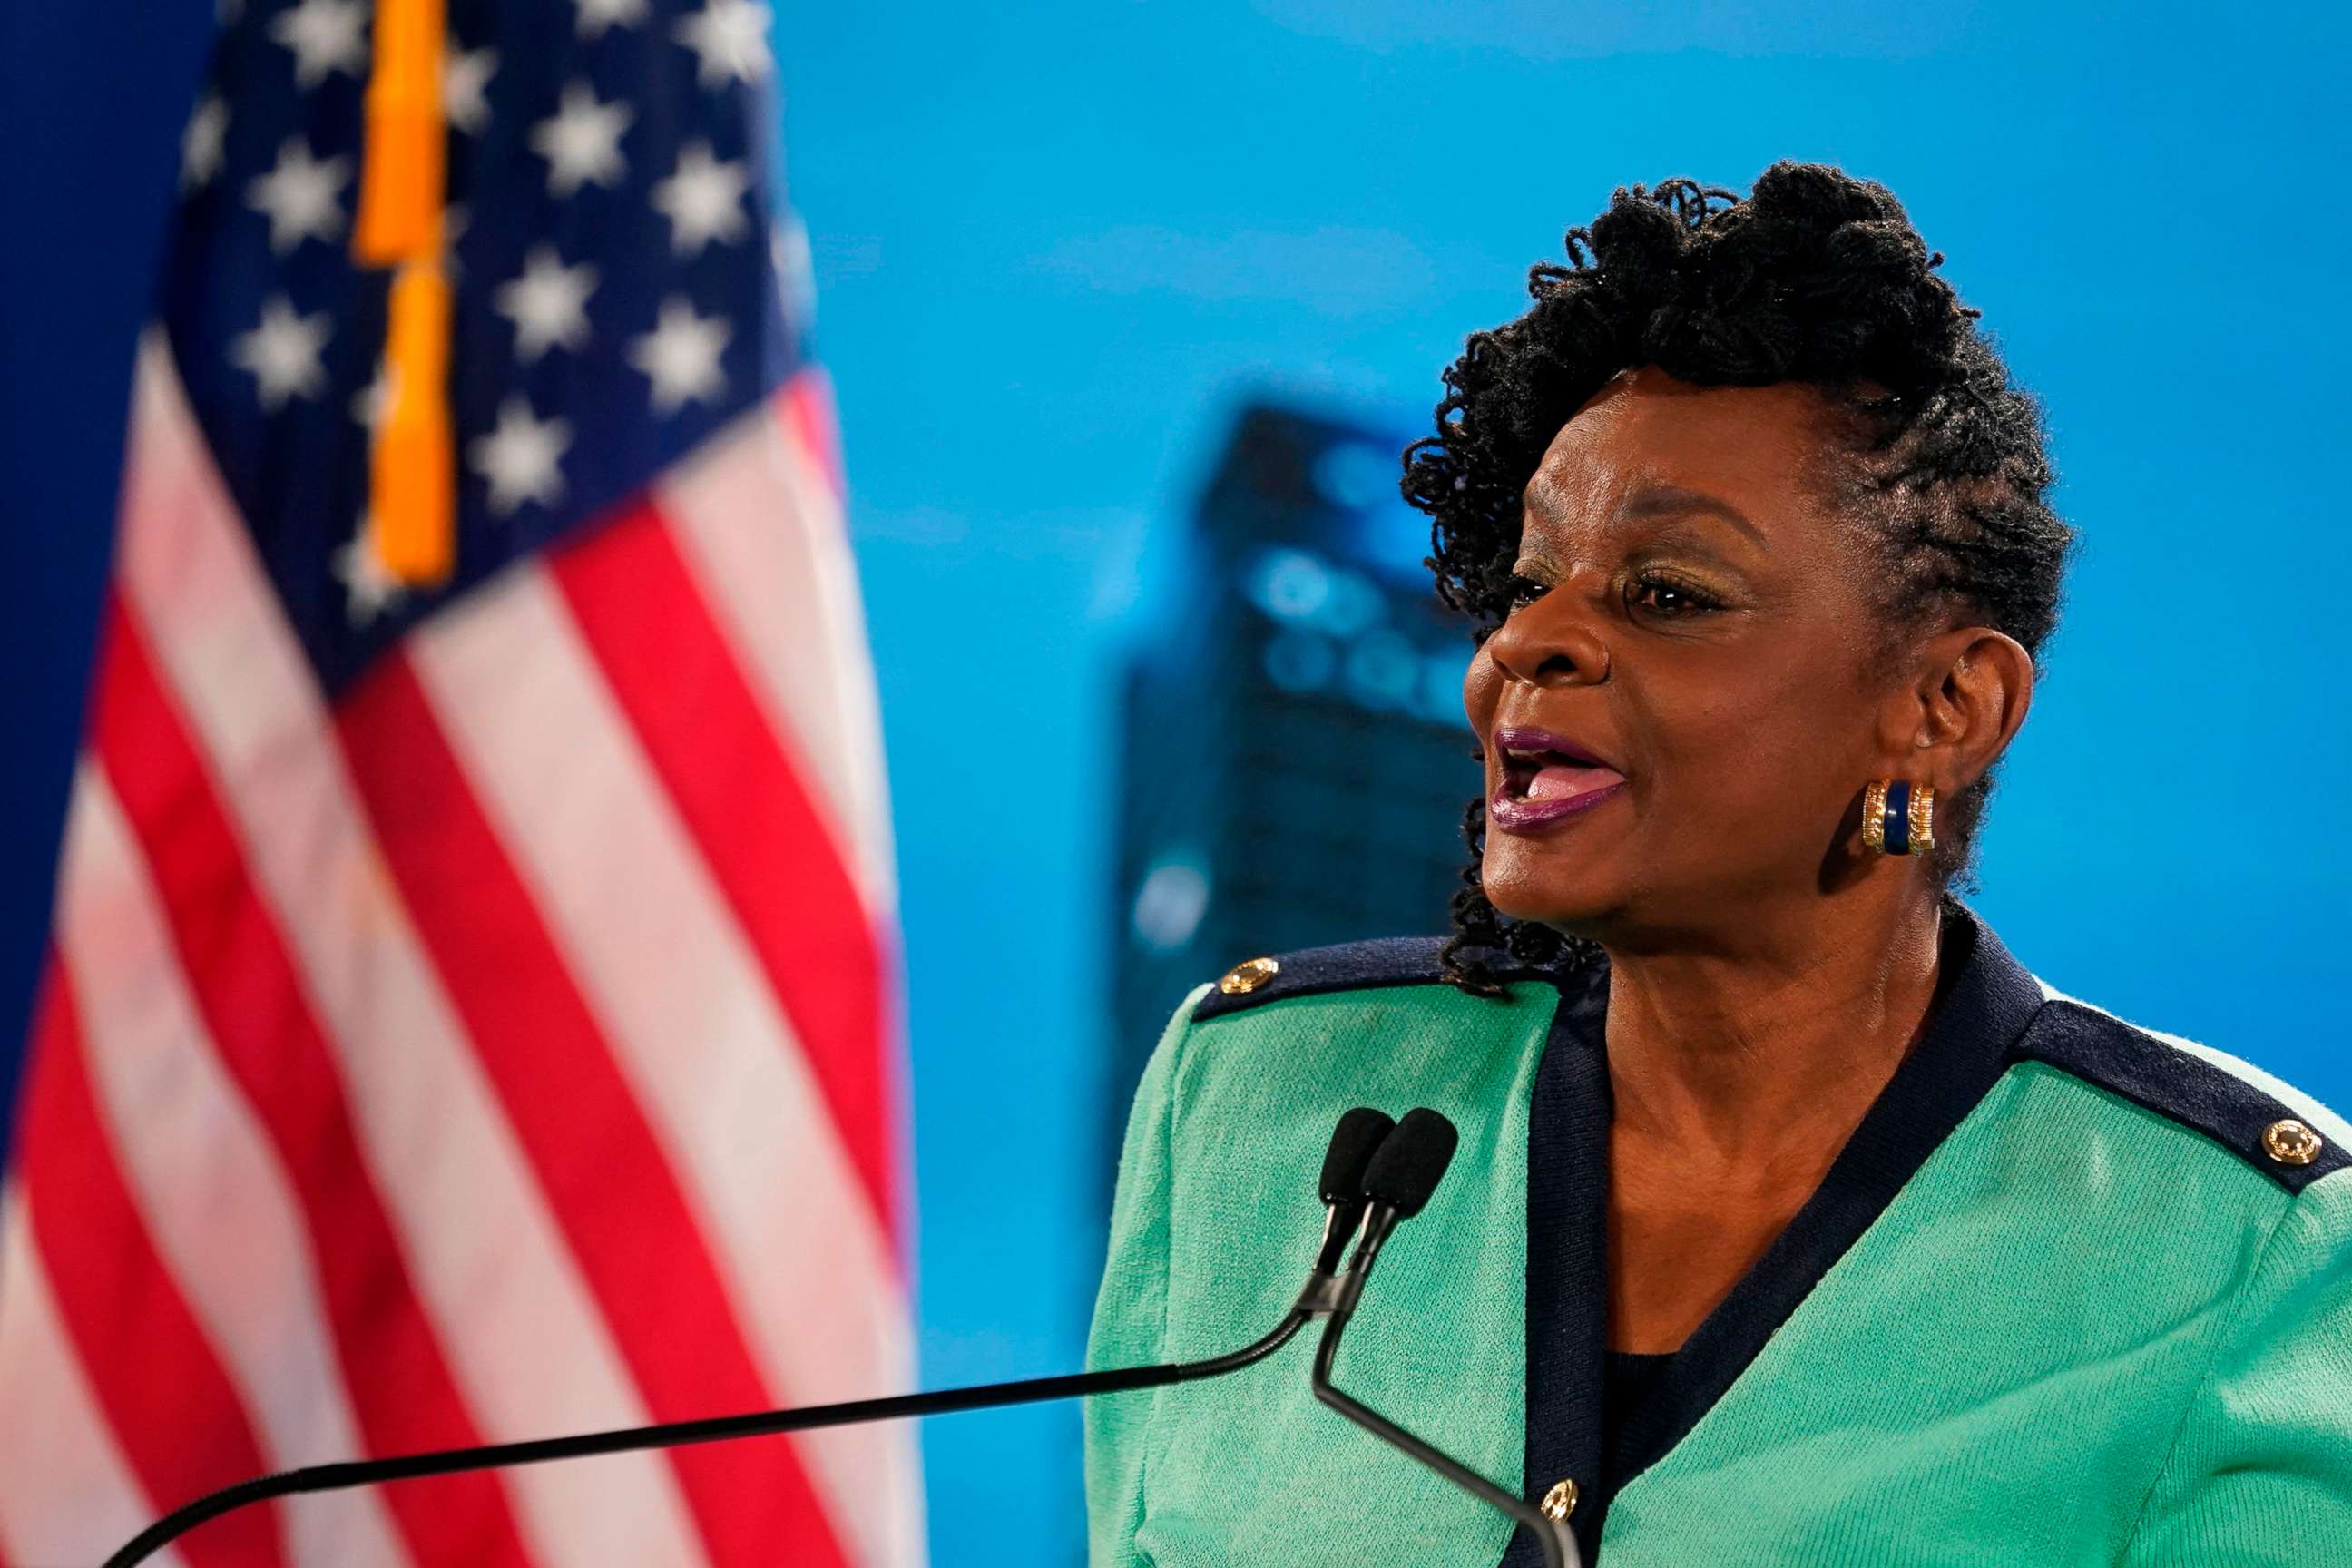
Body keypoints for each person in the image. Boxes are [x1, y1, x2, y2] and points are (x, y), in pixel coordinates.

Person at [1082, 162, 2352, 1565]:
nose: (1528, 644)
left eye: (1669, 593)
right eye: (1524, 585)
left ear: (1945, 709)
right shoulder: (1261, 1103)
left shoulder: (2255, 1256)